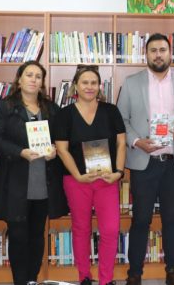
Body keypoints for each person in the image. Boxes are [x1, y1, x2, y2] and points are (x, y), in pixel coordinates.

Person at [118, 33, 174, 285]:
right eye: (153, 50)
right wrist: (136, 142)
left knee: (171, 220)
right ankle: (135, 273)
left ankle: (173, 271)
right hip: (144, 162)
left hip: (173, 163)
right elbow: (122, 120)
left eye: (162, 49)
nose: (158, 54)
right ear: (146, 54)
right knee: (140, 219)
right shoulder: (131, 83)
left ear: (170, 52)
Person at [0, 60, 68, 285]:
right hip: (15, 181)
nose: (33, 79)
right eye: (29, 75)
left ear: (42, 82)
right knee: (18, 235)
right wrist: (20, 151)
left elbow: (61, 138)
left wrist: (54, 150)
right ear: (20, 79)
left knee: (37, 235)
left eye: (38, 76)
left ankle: (32, 279)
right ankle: (20, 281)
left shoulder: (51, 109)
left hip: (43, 180)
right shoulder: (5, 106)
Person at [53, 64, 126, 285]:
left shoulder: (111, 111)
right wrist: (77, 175)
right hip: (77, 181)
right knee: (81, 228)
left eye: (94, 82)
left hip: (107, 180)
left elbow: (121, 143)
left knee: (111, 230)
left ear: (99, 86)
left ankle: (106, 279)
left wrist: (119, 172)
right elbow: (62, 149)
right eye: (85, 82)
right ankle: (84, 276)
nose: (89, 87)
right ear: (76, 85)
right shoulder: (64, 114)